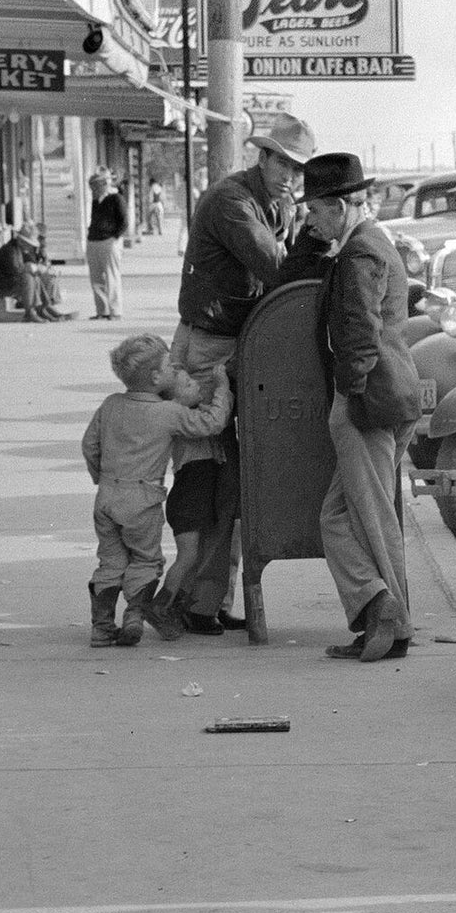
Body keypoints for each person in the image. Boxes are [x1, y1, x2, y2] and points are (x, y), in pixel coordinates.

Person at [171, 113, 319, 636]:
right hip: (208, 347)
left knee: (239, 477)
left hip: (240, 345)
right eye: (284, 165)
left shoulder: (279, 204)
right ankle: (193, 599)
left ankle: (209, 600)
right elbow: (277, 267)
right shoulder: (232, 201)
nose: (291, 177)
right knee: (208, 476)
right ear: (263, 157)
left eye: (298, 169)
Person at [300, 153, 422, 662]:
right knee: (340, 517)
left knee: (370, 518)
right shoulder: (371, 243)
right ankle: (378, 605)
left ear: (339, 206)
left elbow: (359, 331)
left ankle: (392, 622)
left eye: (314, 210)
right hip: (386, 392)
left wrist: (350, 392)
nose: (309, 220)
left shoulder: (359, 252)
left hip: (367, 398)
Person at [81, 335, 230, 648]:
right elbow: (212, 423)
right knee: (145, 560)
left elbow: (90, 445)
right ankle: (133, 617)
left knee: (110, 562)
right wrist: (222, 389)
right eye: (169, 367)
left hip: (107, 496)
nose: (175, 368)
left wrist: (100, 477)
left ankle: (102, 627)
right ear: (155, 378)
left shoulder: (110, 405)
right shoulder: (168, 413)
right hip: (142, 500)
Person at [148, 366, 227, 640]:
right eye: (188, 384)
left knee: (193, 559)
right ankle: (160, 606)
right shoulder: (183, 419)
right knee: (188, 558)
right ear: (174, 401)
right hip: (189, 499)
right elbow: (216, 420)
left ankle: (174, 607)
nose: (195, 384)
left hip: (192, 498)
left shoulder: (189, 412)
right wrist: (222, 387)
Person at [0, 220, 58, 323]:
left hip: (6, 284)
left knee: (35, 277)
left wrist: (35, 265)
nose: (30, 247)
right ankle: (29, 312)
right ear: (21, 241)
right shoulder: (10, 250)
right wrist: (28, 268)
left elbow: (31, 262)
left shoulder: (19, 249)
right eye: (28, 244)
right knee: (27, 277)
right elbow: (15, 271)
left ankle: (44, 307)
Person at [86, 168, 128, 319]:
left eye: (95, 185)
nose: (93, 189)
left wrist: (114, 237)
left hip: (109, 241)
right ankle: (102, 310)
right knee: (96, 278)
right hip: (94, 240)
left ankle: (115, 310)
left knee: (112, 276)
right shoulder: (95, 201)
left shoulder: (116, 198)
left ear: (104, 184)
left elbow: (124, 222)